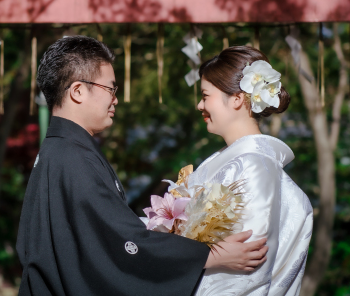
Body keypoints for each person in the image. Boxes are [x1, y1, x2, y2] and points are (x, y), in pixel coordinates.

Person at [16, 36, 269, 296]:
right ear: (78, 91)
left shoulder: (59, 151)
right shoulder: (72, 158)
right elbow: (120, 243)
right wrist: (210, 255)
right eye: (110, 89)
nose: (115, 99)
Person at [190, 46, 313, 296]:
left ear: (237, 98)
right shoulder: (238, 161)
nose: (199, 105)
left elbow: (245, 274)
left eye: (205, 96)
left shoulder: (254, 167)